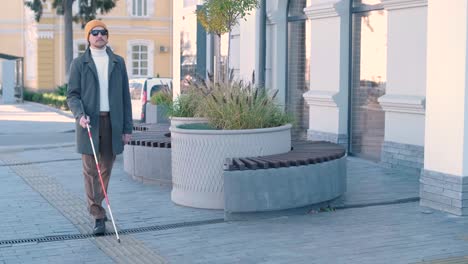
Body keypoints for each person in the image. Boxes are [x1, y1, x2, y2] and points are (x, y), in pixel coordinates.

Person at [67, 19, 133, 235]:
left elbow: (125, 97)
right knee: (89, 171)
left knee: (105, 168)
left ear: (107, 35)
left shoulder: (118, 62)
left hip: (112, 123)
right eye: (94, 32)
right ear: (88, 37)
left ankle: (95, 206)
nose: (99, 35)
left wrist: (127, 128)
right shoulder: (79, 63)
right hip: (89, 122)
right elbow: (73, 95)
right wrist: (80, 115)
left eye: (103, 32)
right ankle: (98, 215)